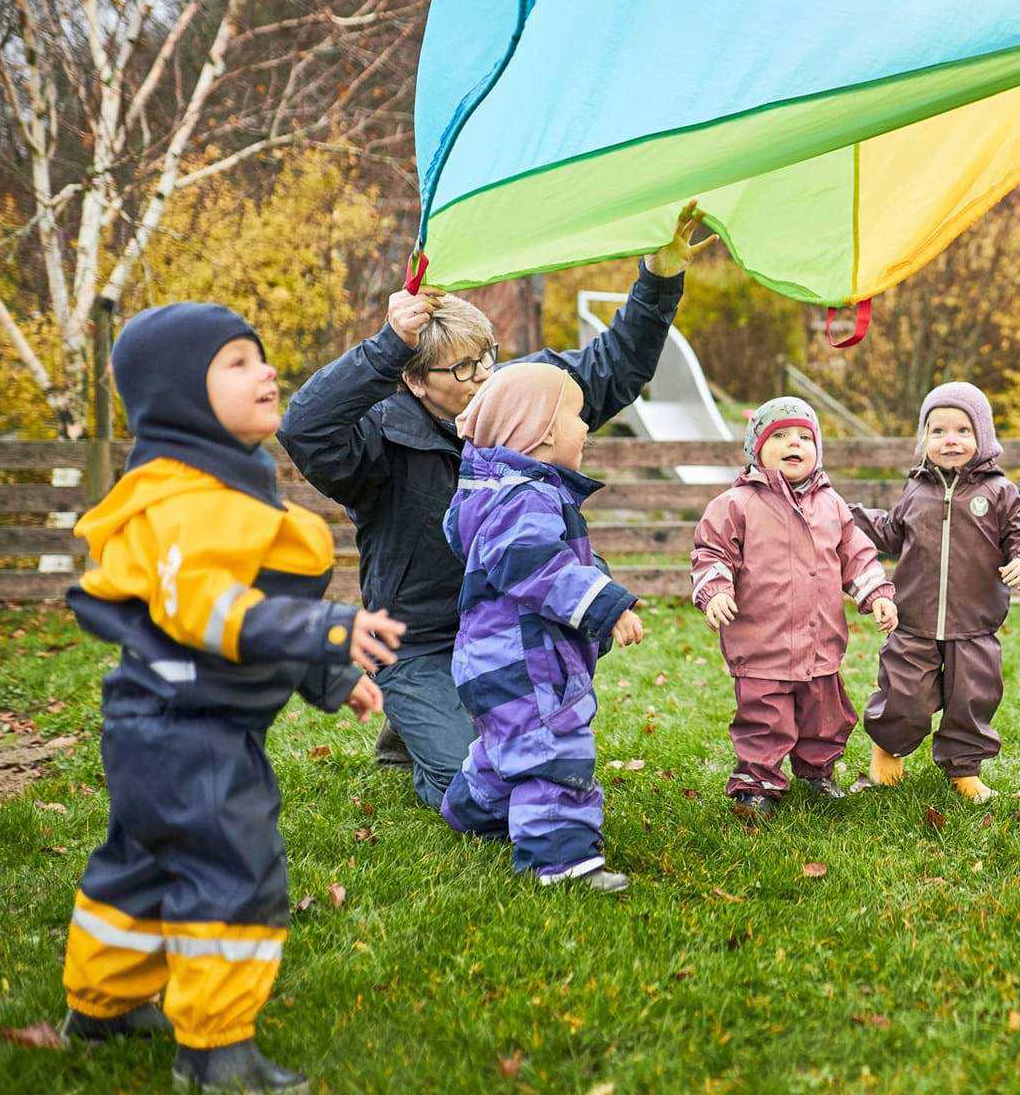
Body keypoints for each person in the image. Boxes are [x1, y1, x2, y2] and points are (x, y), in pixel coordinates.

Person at [58, 304, 401, 1095]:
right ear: (179, 395)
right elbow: (207, 611)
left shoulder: (219, 483)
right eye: (238, 362)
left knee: (141, 863)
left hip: (157, 727)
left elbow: (258, 609)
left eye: (262, 355)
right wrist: (330, 631)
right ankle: (216, 1049)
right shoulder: (180, 501)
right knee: (232, 868)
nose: (268, 372)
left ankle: (99, 1007)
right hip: (190, 732)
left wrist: (331, 674)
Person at [280, 205, 711, 810]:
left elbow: (615, 368)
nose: (484, 376)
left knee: (542, 709)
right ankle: (421, 719)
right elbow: (304, 429)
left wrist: (659, 278)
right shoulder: (379, 440)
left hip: (508, 628)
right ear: (414, 381)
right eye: (462, 366)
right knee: (485, 785)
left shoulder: (517, 394)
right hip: (421, 639)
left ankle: (438, 716)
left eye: (488, 356)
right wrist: (386, 347)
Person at [439, 363, 644, 889]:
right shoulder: (525, 497)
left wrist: (592, 573)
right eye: (577, 417)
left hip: (495, 659)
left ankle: (471, 809)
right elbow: (534, 565)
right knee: (554, 749)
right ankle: (561, 860)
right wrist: (605, 605)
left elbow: (544, 557)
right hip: (523, 660)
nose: (586, 429)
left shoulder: (502, 492)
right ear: (545, 431)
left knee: (508, 743)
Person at [690, 397, 897, 818]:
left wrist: (876, 594)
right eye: (780, 436)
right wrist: (715, 591)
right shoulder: (737, 504)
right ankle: (758, 783)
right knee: (765, 719)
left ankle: (817, 772)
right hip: (761, 643)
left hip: (820, 642)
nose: (794, 444)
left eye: (804, 436)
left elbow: (855, 554)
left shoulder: (832, 504)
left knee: (825, 716)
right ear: (756, 449)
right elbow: (710, 552)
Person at [850, 382, 1020, 803]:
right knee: (904, 695)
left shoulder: (998, 493)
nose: (950, 440)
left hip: (974, 623)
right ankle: (888, 752)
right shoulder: (916, 490)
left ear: (983, 437)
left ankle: (964, 770)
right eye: (938, 431)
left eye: (962, 430)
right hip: (913, 621)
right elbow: (890, 531)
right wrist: (849, 519)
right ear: (924, 440)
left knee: (971, 700)